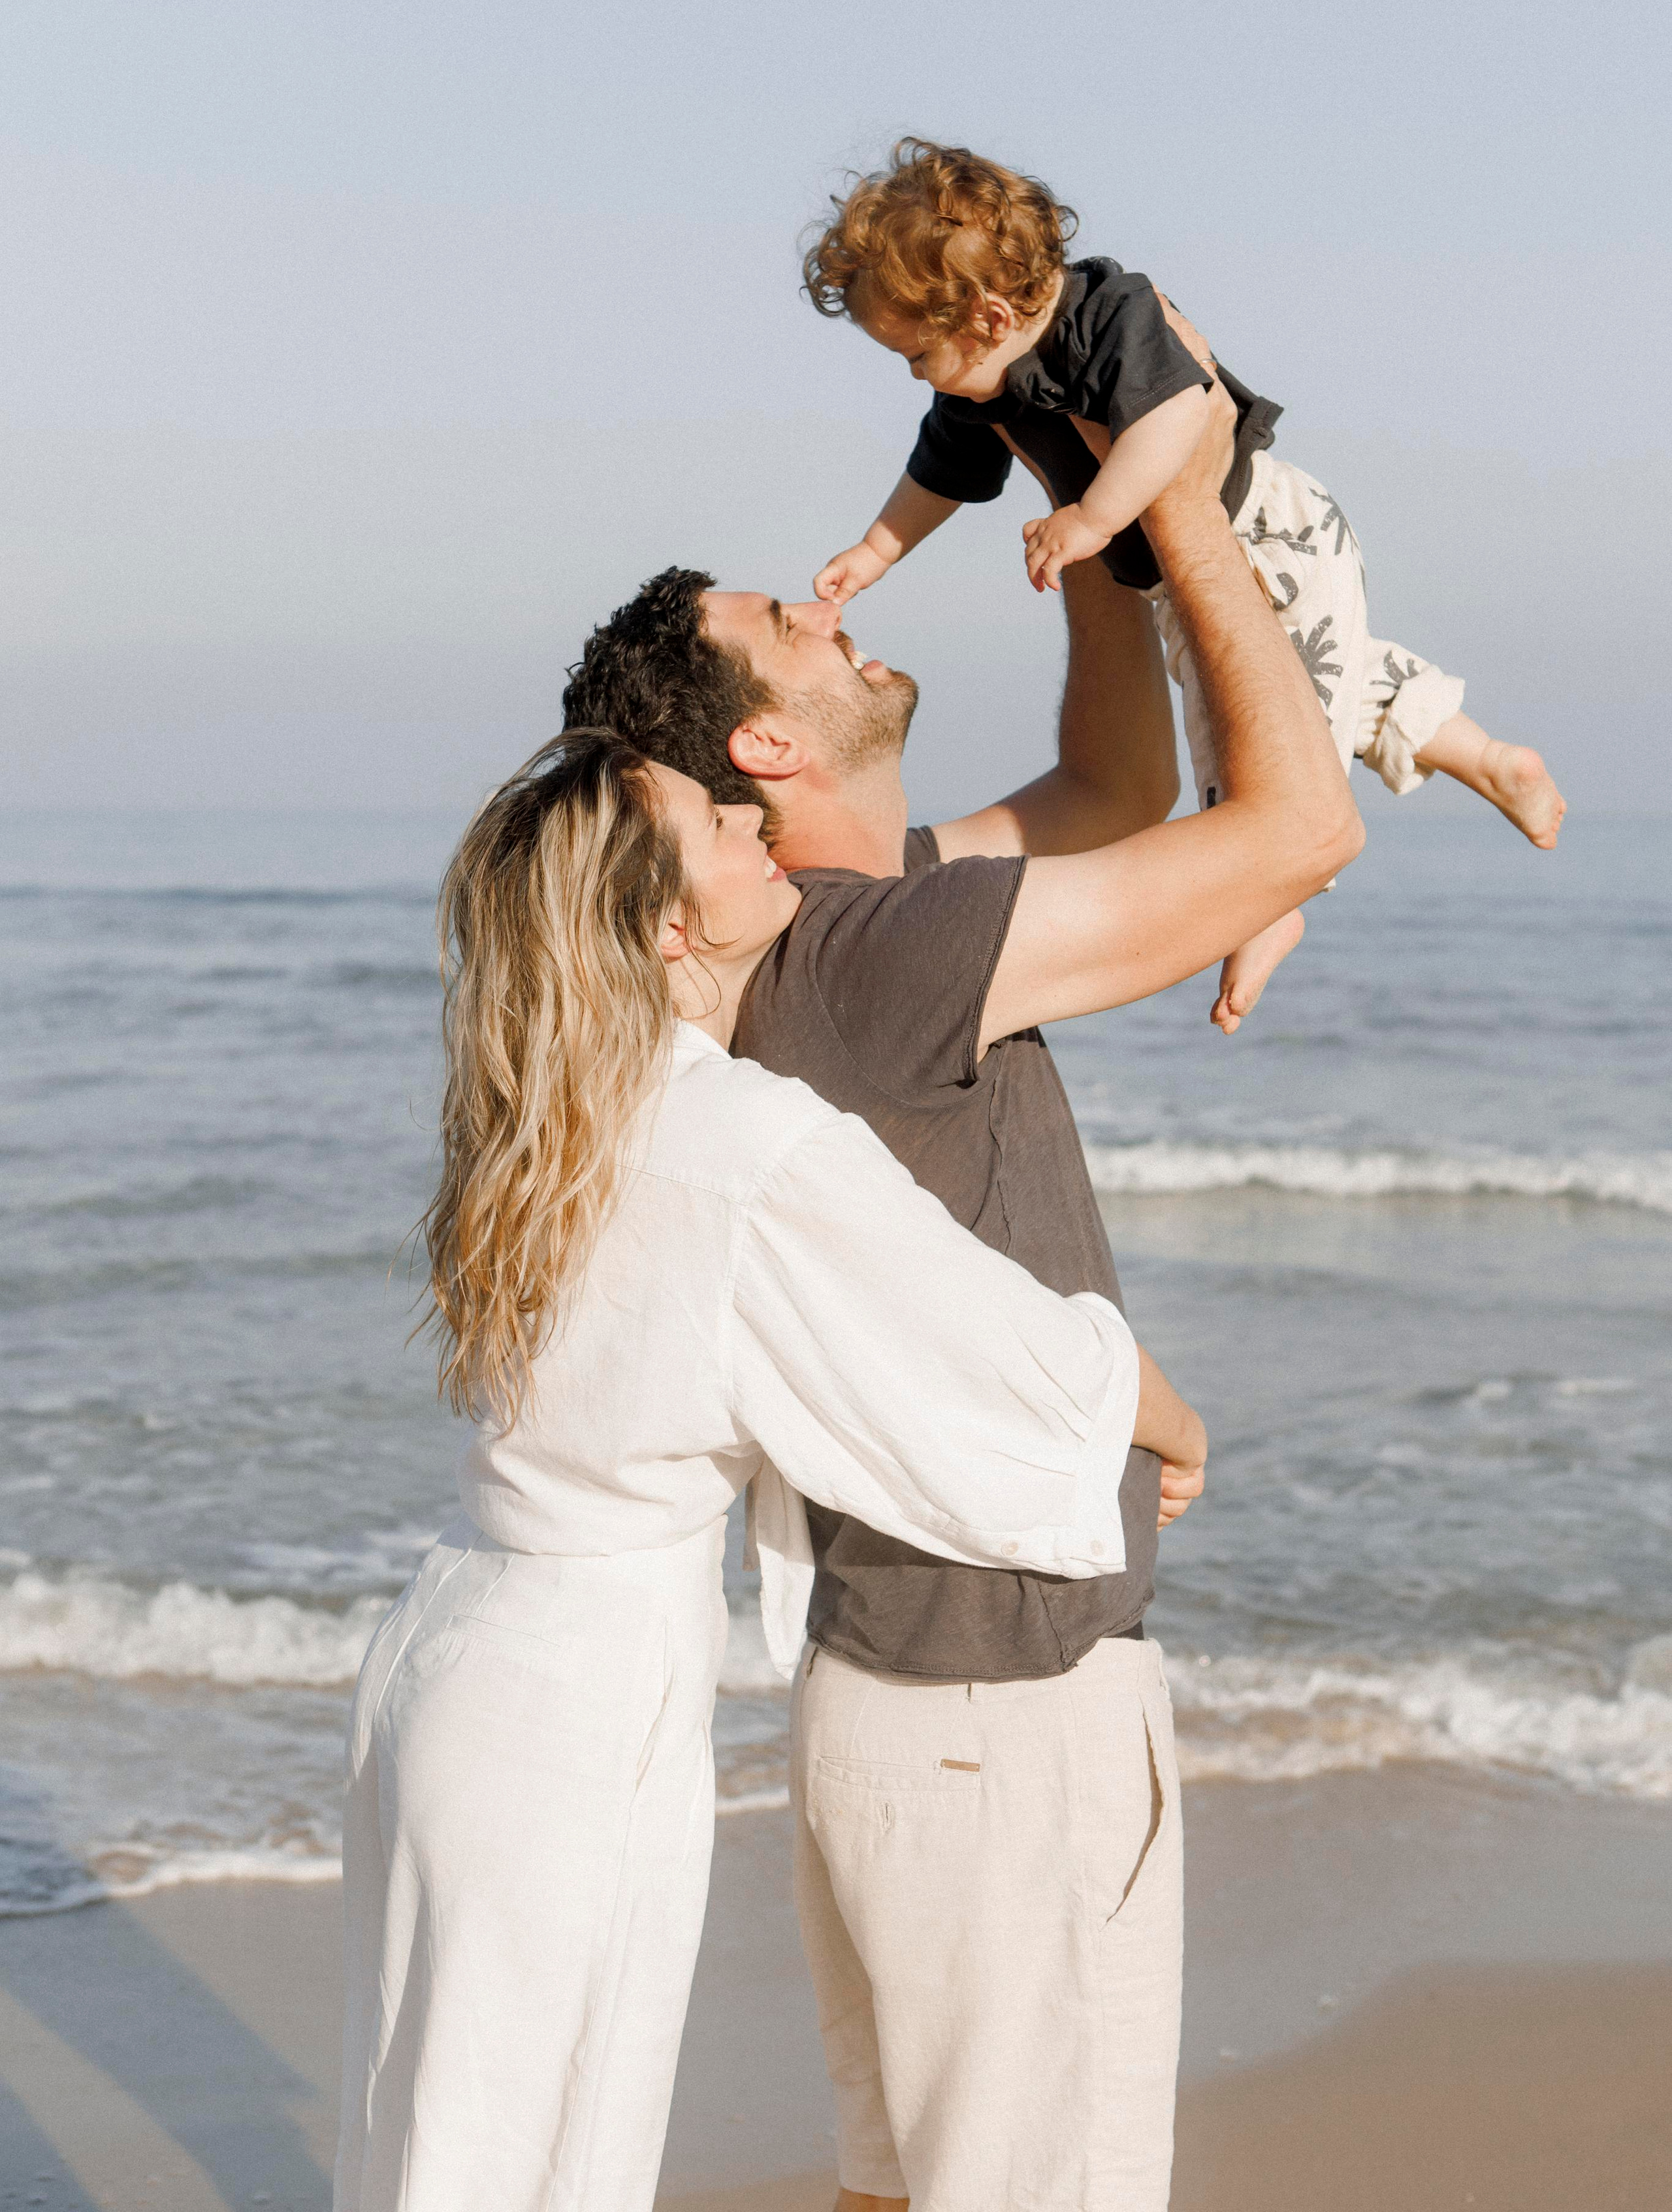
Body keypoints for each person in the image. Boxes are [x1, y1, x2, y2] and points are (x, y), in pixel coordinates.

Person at [562, 403, 1362, 2212]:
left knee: (903, 2189)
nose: (839, 603)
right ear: (771, 736)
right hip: (1001, 1727)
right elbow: (1296, 826)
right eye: (795, 621)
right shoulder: (875, 957)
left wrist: (1094, 534)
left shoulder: (821, 930)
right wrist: (1184, 502)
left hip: (896, 1712)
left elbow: (1113, 796)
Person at [333, 728, 1210, 2212]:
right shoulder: (740, 1139)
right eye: (712, 823)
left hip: (448, 1667)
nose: (752, 822)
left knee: (438, 2146)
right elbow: (1000, 1351)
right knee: (543, 2160)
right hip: (577, 1710)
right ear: (674, 925)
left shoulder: (549, 1102)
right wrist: (1172, 1428)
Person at [803, 137, 1566, 1031]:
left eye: (914, 357)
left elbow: (1179, 415)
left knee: (1245, 731)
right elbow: (942, 473)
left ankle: (1268, 900)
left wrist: (1088, 523)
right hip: (1194, 573)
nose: (918, 377)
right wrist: (876, 550)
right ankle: (1489, 757)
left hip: (1267, 536)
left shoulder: (1107, 314)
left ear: (984, 314)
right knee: (1336, 683)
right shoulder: (986, 386)